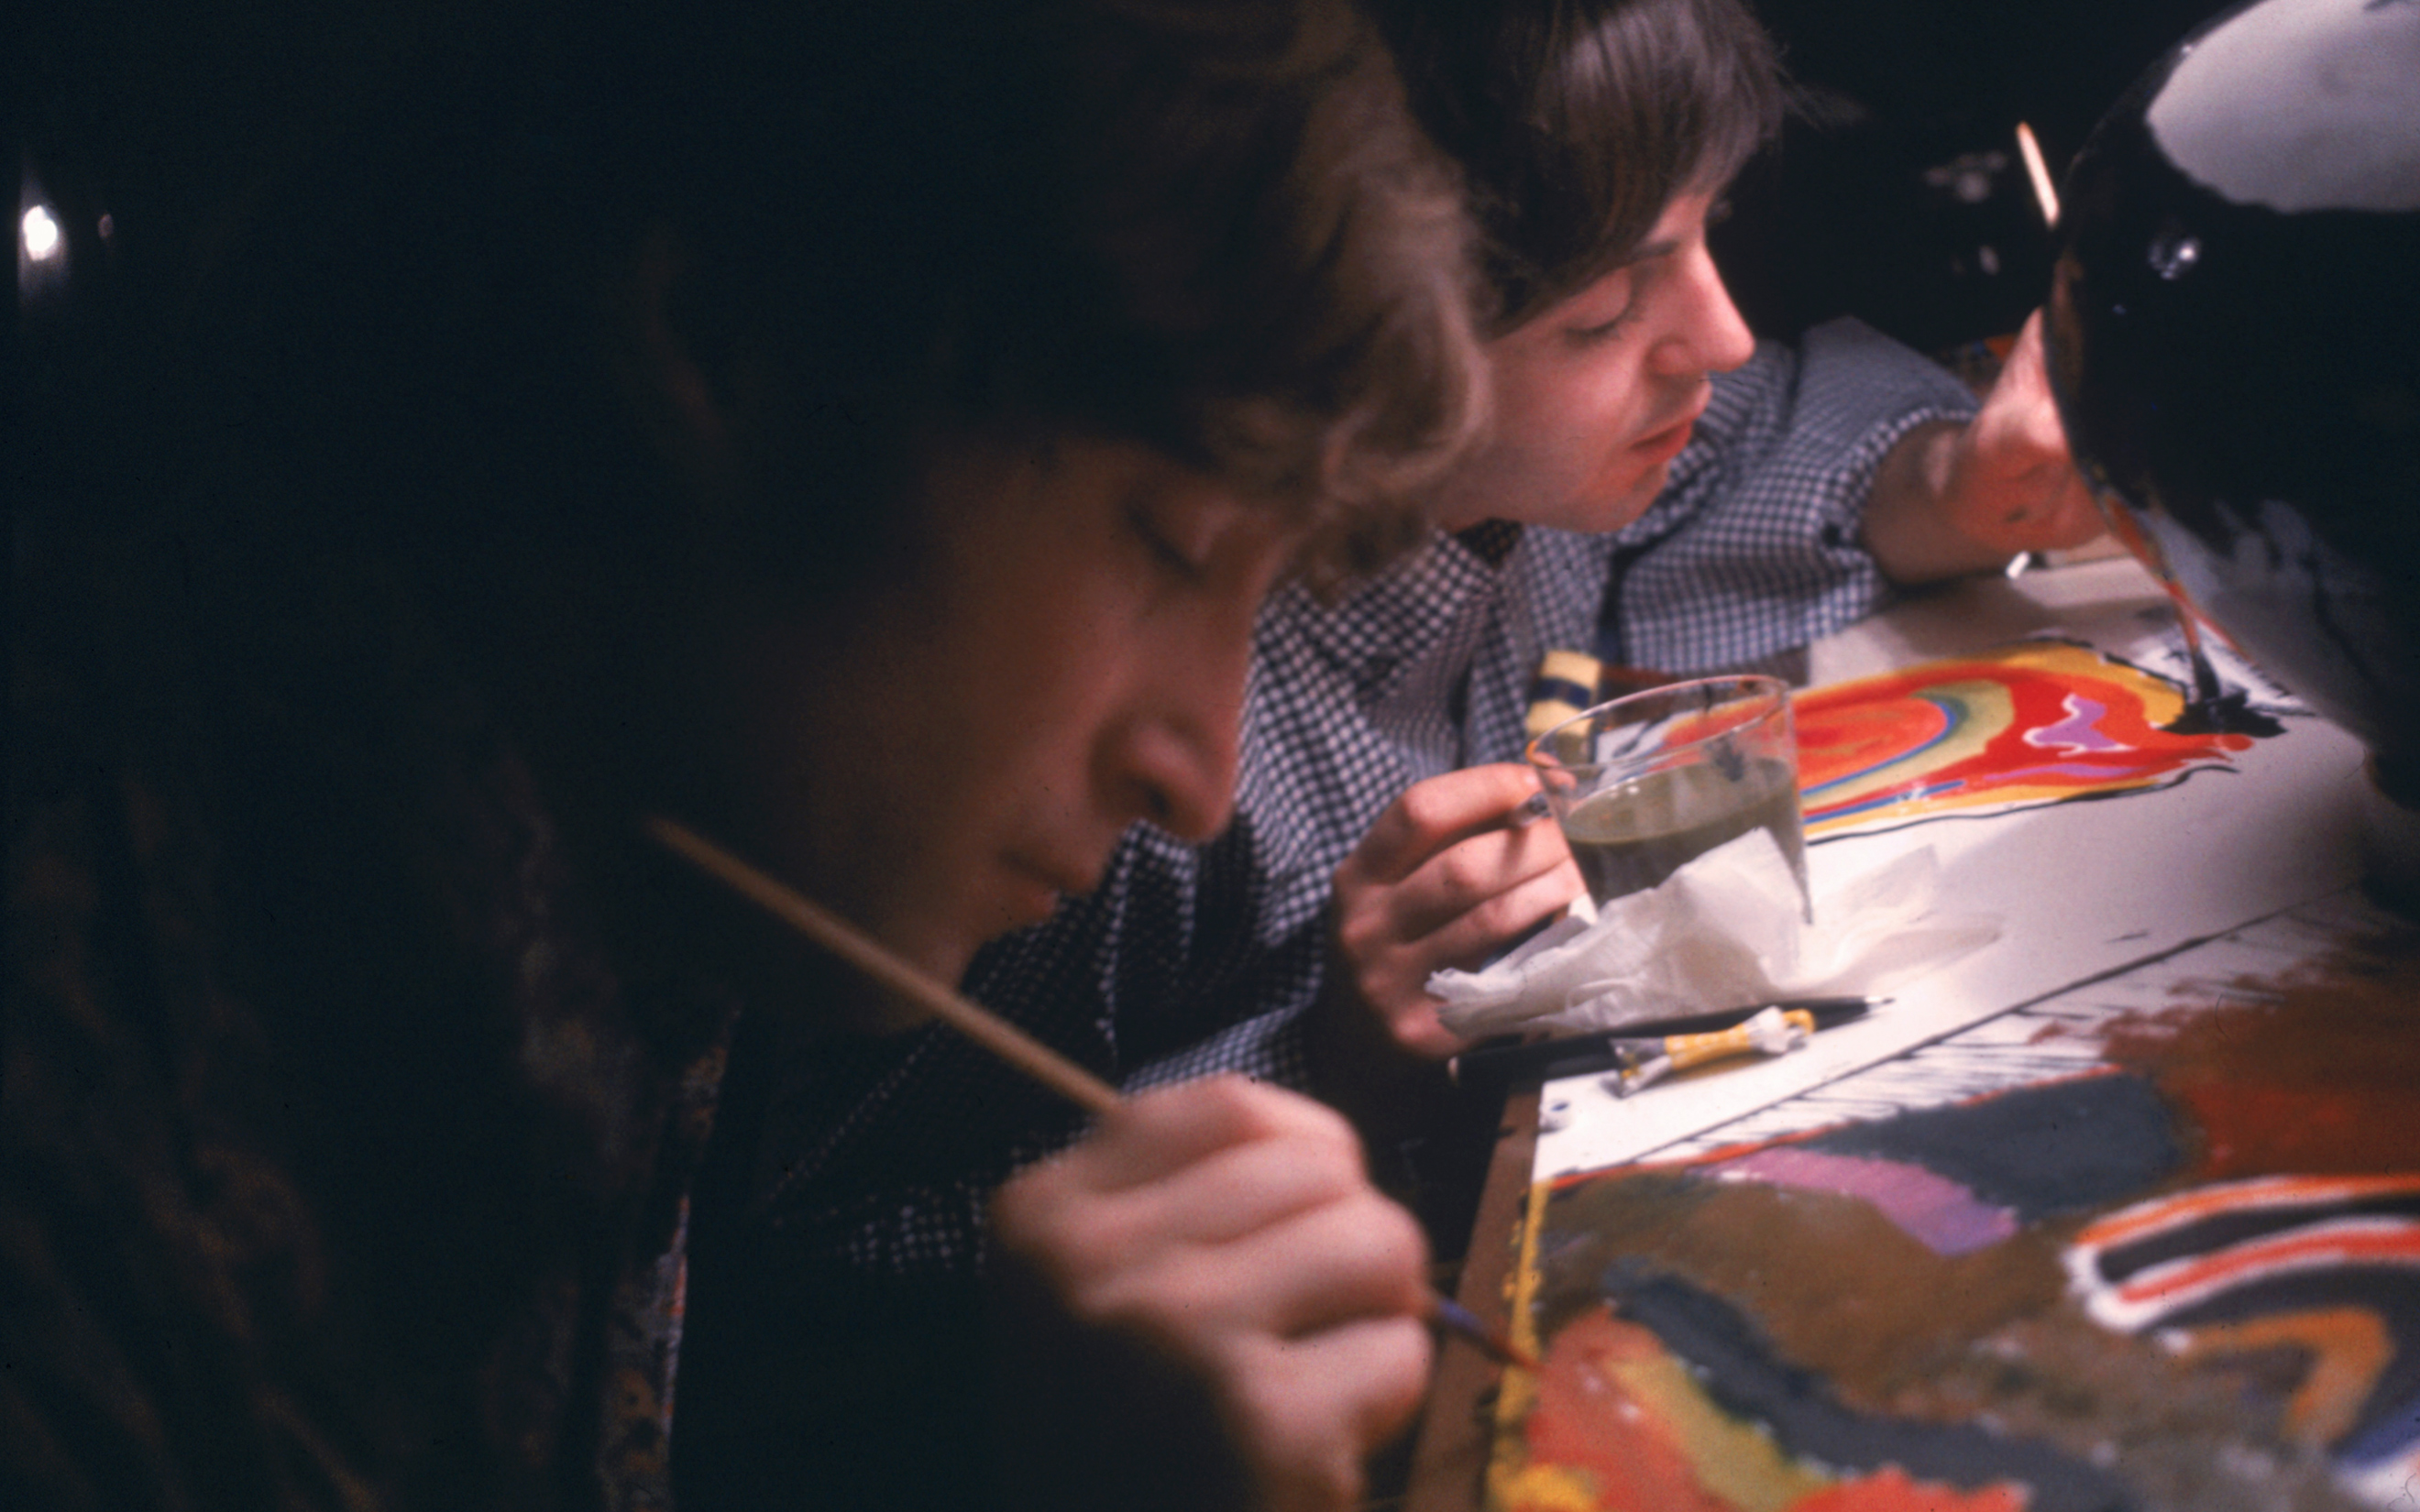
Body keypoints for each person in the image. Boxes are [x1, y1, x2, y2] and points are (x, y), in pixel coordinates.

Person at [2, 3, 1490, 1510]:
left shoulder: (620, 900)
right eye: (1170, 544)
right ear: (740, 350)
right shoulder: (76, 1153)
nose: (1203, 777)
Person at [707, 0, 2106, 1320]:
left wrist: (1939, 486)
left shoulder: (1535, 494)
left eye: (1704, 236)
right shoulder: (1083, 773)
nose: (1728, 335)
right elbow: (818, 1243)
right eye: (1602, 314)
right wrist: (1324, 1066)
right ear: (1395, 351)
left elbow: (1714, 470)